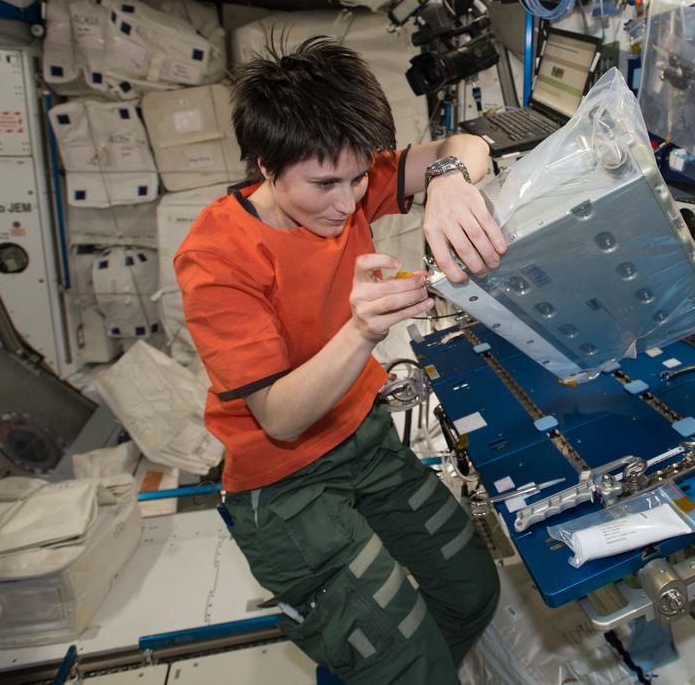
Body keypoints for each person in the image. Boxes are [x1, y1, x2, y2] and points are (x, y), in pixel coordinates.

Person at [175, 36, 504, 684]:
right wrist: (361, 329)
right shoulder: (216, 257)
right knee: (403, 663)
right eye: (325, 184)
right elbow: (281, 417)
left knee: (471, 591)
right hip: (284, 484)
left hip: (365, 440)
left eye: (357, 180)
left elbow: (467, 144)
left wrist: (446, 180)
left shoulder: (344, 178)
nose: (348, 202)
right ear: (266, 165)